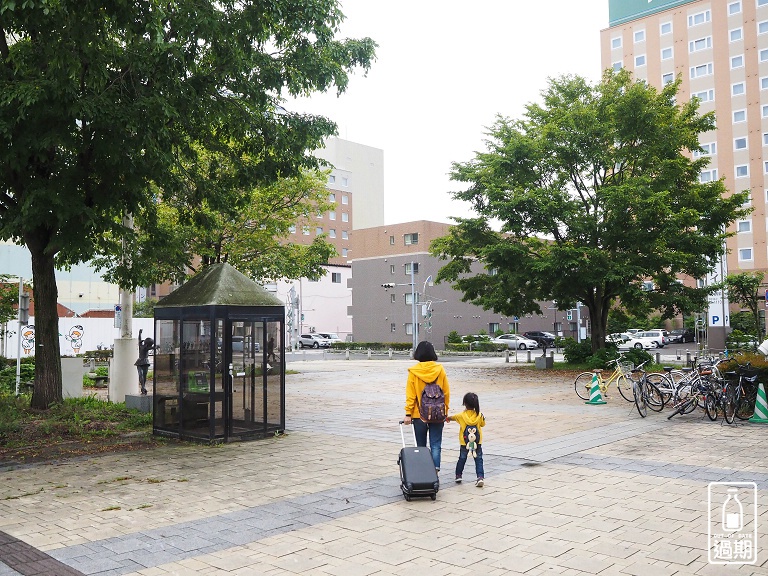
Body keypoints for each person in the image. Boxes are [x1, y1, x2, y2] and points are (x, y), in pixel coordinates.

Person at [403, 341, 450, 471]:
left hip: (419, 415)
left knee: (421, 446)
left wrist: (408, 413)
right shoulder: (440, 370)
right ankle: (435, 470)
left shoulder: (413, 372)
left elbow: (411, 395)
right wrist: (445, 410)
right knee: (436, 444)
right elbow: (446, 392)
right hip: (438, 413)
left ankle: (424, 472)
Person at [447, 392, 486, 487]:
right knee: (478, 459)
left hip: (464, 442)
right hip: (477, 442)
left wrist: (447, 418)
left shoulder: (461, 416)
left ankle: (458, 475)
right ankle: (480, 477)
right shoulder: (479, 415)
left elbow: (452, 418)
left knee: (462, 458)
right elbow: (483, 424)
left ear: (465, 403)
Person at [134, 329, 155, 395]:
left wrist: (140, 334)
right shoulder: (143, 347)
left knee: (144, 375)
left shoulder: (143, 347)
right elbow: (139, 340)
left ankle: (143, 387)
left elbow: (139, 340)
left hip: (144, 361)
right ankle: (143, 387)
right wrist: (140, 334)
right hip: (141, 361)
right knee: (141, 375)